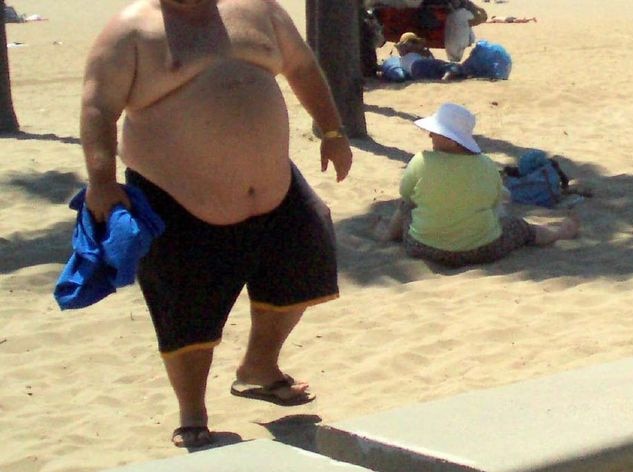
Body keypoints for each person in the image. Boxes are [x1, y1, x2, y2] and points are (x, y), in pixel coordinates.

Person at [80, 0, 353, 448]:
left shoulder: (257, 10)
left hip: (274, 187)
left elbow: (303, 68)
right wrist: (101, 181)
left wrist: (333, 132)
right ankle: (193, 412)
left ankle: (258, 368)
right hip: (175, 196)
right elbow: (97, 108)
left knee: (306, 267)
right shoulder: (130, 31)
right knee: (186, 310)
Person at [374, 103, 579, 267]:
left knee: (407, 205)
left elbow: (406, 196)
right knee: (522, 228)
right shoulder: (486, 166)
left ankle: (388, 234)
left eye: (435, 132)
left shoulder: (420, 161)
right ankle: (558, 233)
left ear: (452, 141)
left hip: (422, 247)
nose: (430, 136)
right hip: (483, 250)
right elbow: (495, 202)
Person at [389, 31, 464, 81]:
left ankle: (449, 75)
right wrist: (420, 48)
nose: (413, 44)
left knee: (439, 69)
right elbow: (432, 61)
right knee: (450, 66)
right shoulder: (408, 53)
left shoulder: (405, 57)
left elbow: (432, 60)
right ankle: (449, 75)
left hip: (415, 71)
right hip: (419, 64)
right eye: (412, 42)